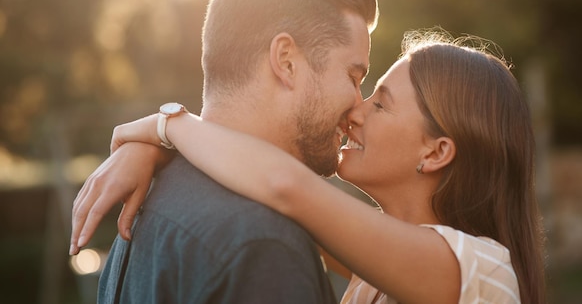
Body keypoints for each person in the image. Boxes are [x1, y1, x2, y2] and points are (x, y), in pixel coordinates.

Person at [72, 29, 546, 304]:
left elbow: (283, 185)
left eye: (380, 104)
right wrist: (154, 149)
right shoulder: (379, 258)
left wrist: (166, 126)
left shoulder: (481, 272)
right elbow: (256, 177)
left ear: (436, 152)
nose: (355, 110)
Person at [73, 0, 380, 303]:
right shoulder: (265, 246)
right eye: (353, 76)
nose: (358, 105)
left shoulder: (152, 199)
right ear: (286, 61)